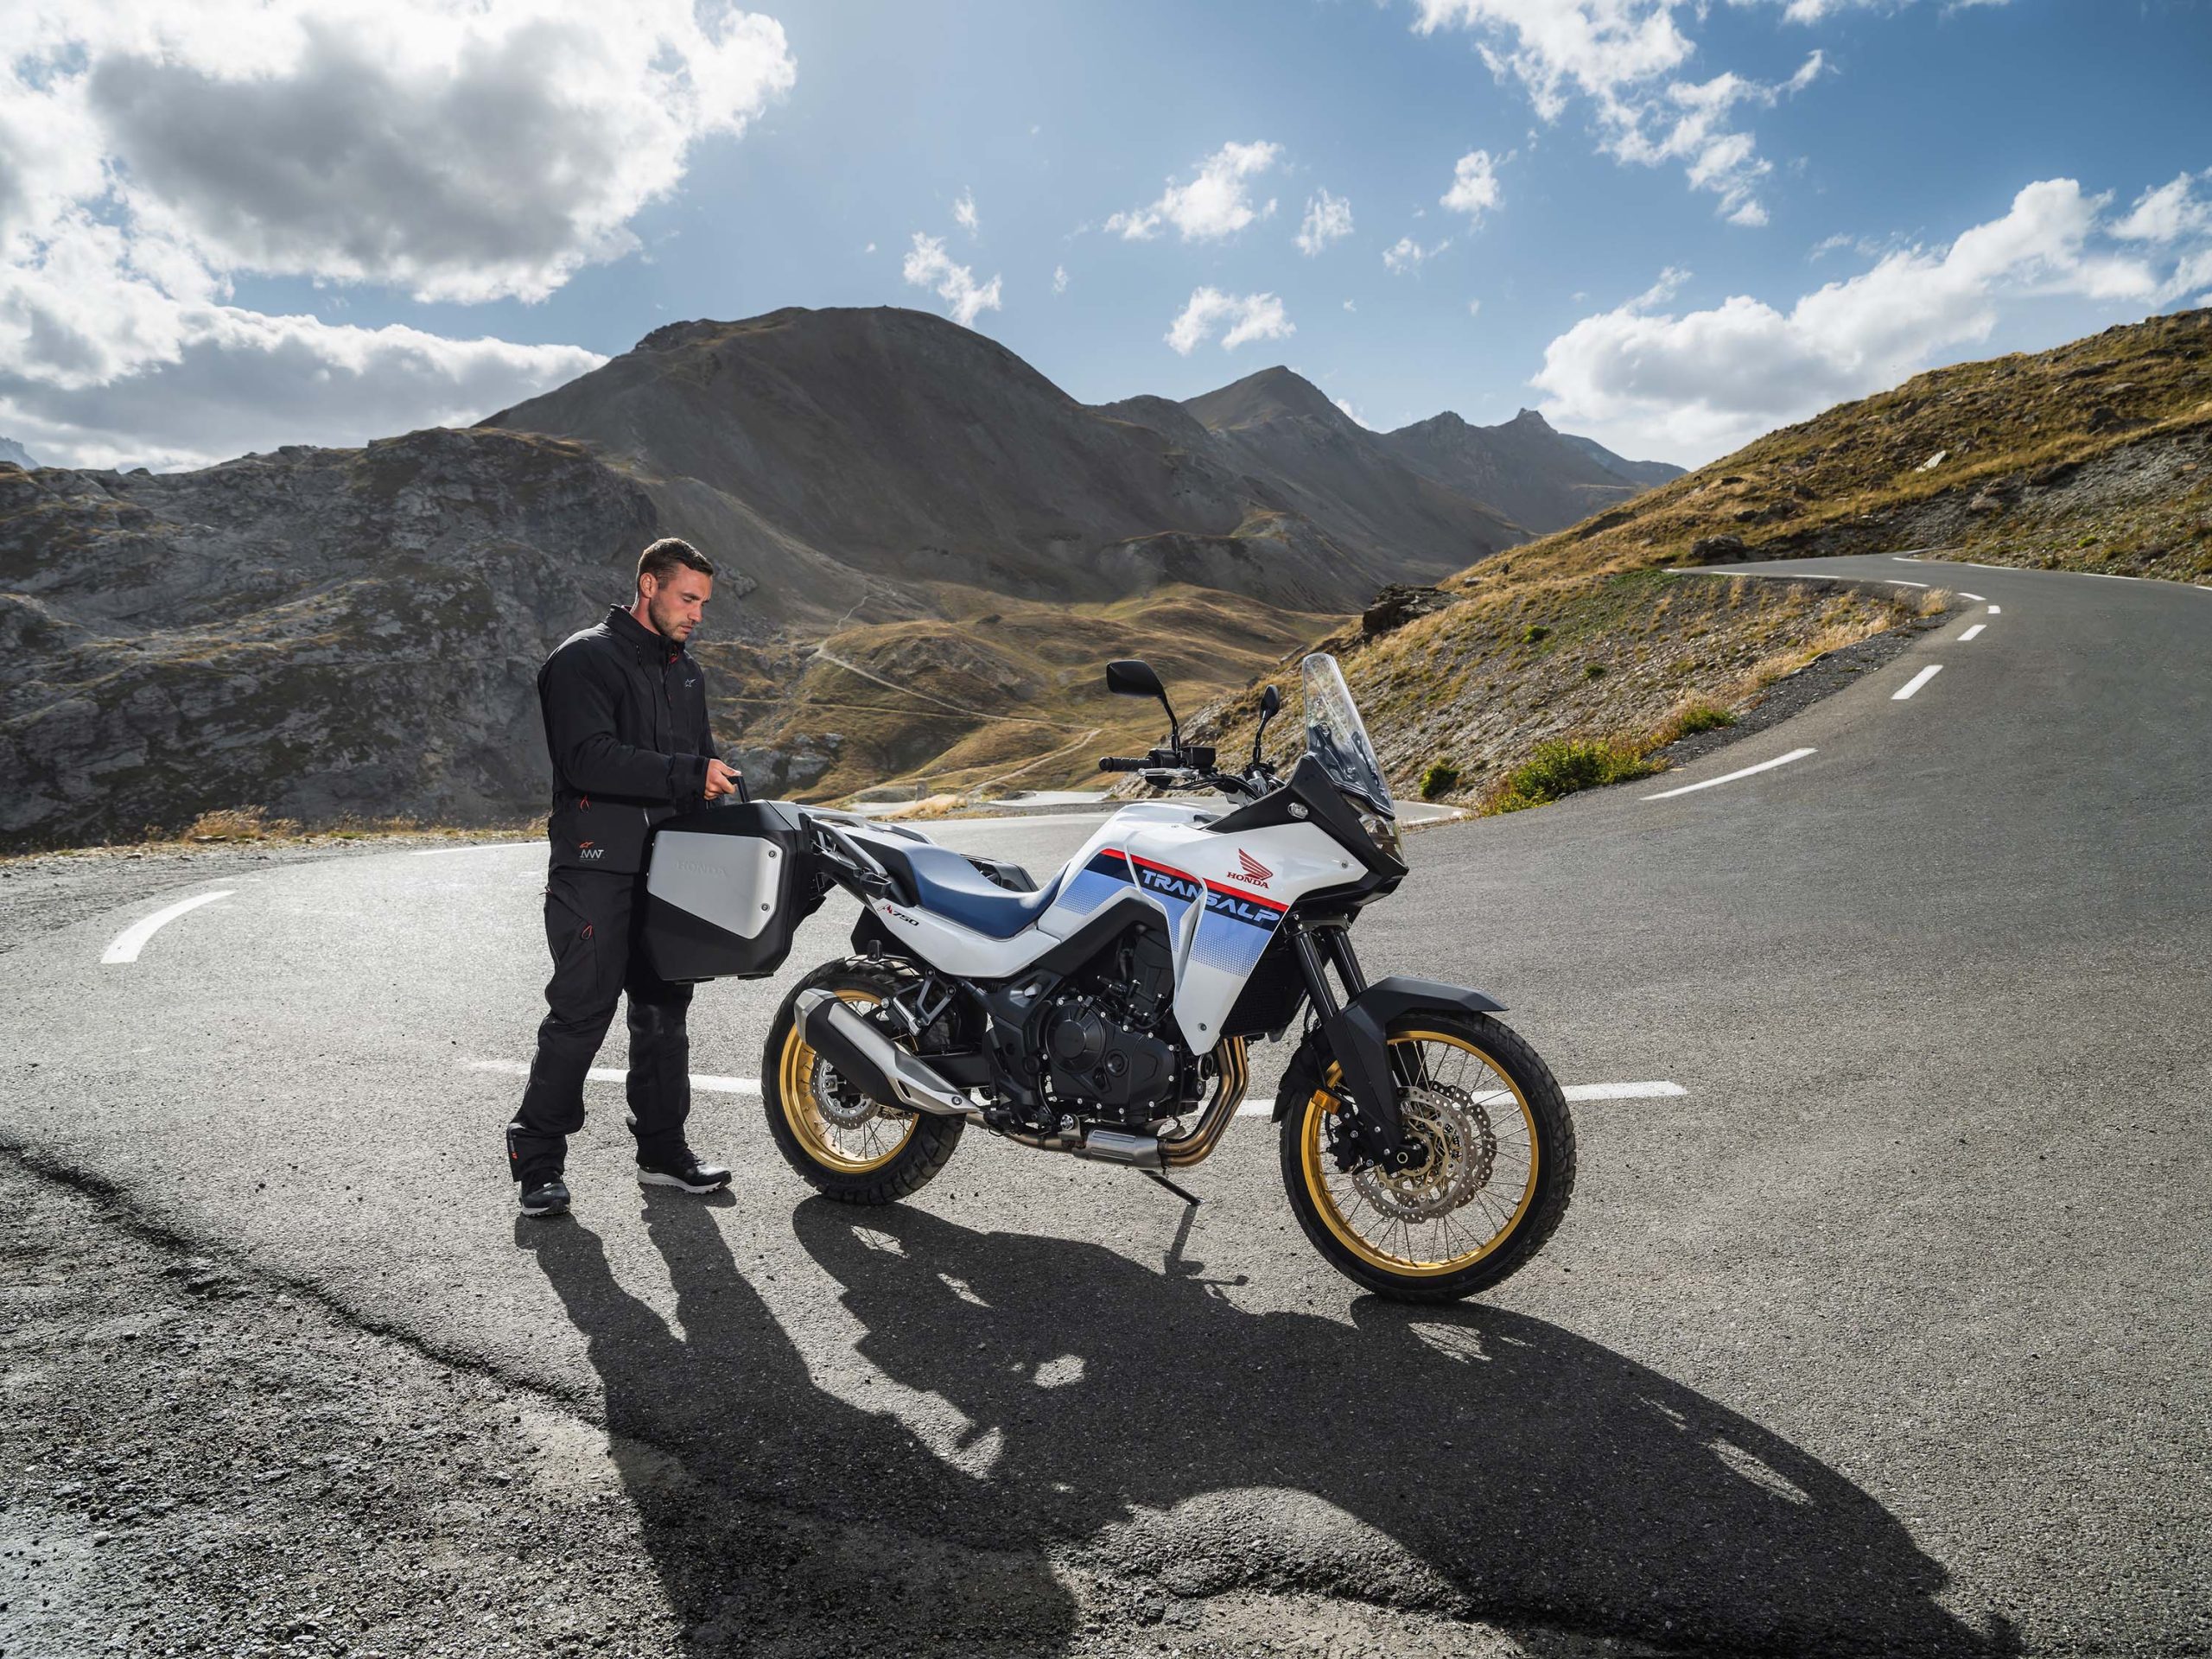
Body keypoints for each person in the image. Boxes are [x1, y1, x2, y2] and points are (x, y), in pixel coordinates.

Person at [506, 537, 744, 1217]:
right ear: (648, 585)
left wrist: (713, 801)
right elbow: (587, 759)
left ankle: (663, 1152)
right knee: (583, 1010)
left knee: (665, 1012)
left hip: (670, 867)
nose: (697, 614)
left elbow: (695, 763)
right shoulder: (582, 659)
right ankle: (537, 1159)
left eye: (704, 603)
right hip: (594, 863)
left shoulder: (687, 673)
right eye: (687, 598)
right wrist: (688, 772)